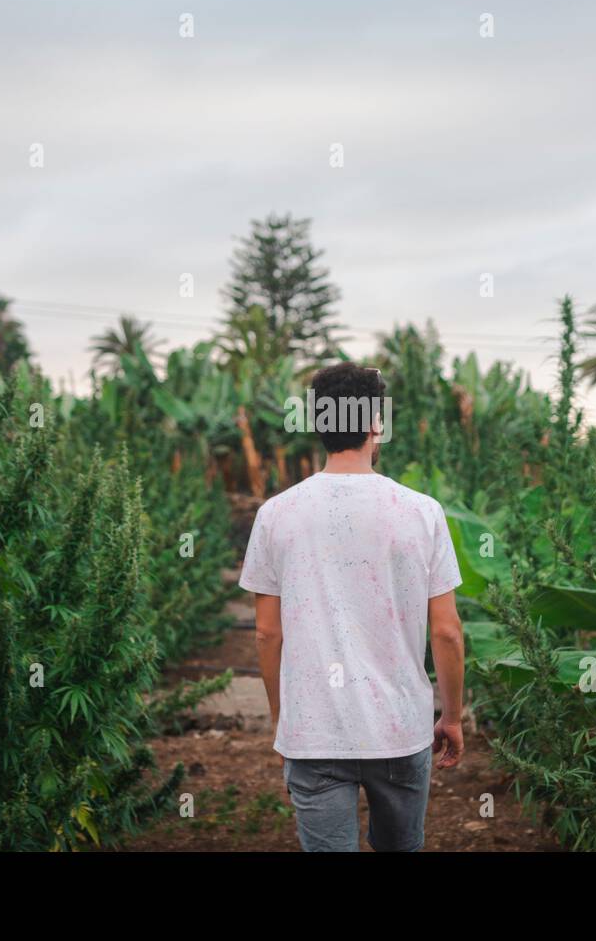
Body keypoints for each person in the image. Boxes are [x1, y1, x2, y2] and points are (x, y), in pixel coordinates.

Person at [239, 362, 465, 852]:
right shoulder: (422, 512)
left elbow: (266, 633)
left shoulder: (275, 515)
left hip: (313, 732)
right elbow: (446, 631)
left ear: (320, 426)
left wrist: (284, 718)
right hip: (401, 731)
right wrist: (452, 717)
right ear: (375, 423)